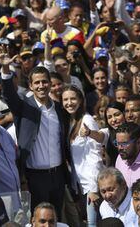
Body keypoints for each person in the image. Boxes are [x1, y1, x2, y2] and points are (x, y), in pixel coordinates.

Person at [0, 45, 69, 216]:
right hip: (35, 177)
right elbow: (9, 95)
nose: (41, 86)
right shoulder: (23, 108)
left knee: (56, 216)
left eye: (45, 81)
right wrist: (6, 68)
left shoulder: (60, 110)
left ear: (51, 84)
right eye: (37, 82)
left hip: (58, 175)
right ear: (30, 86)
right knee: (40, 219)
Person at [61, 85, 104, 226]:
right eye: (65, 99)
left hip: (91, 184)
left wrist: (93, 188)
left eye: (73, 98)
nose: (69, 102)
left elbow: (95, 155)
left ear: (80, 100)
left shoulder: (87, 120)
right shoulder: (71, 121)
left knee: (93, 224)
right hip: (80, 185)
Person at [114, 122, 140, 187]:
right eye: (118, 143)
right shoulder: (119, 159)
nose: (120, 148)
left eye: (124, 144)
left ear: (138, 142)